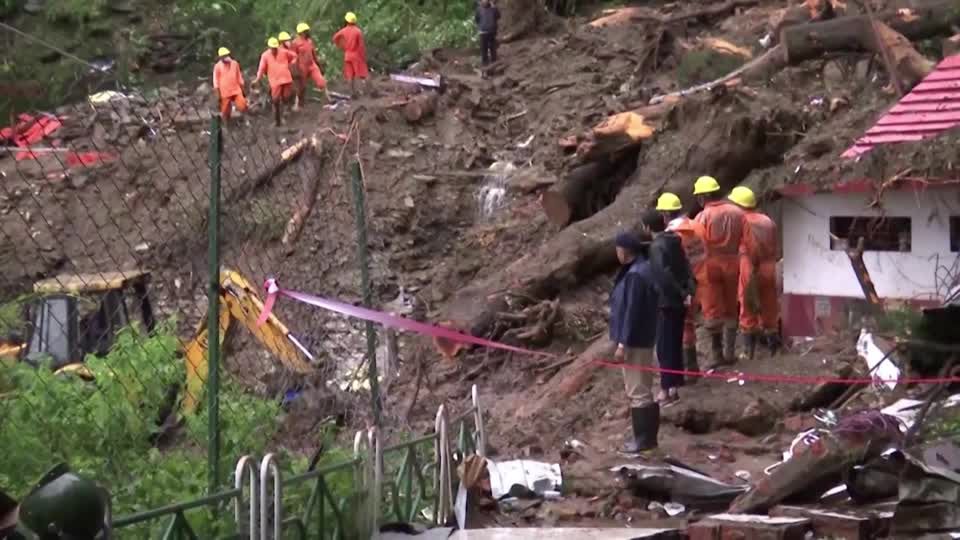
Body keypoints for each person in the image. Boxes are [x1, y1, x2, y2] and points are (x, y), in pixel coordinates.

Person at [609, 230, 661, 453]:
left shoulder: (635, 275)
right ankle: (648, 438)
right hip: (643, 336)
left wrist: (622, 344)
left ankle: (643, 440)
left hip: (635, 340)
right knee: (643, 387)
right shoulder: (640, 268)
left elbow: (632, 312)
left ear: (624, 251)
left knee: (638, 389)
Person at [642, 208, 695, 405]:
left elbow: (664, 275)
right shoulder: (675, 241)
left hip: (666, 302)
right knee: (675, 342)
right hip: (680, 300)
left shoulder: (656, 248)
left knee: (664, 346)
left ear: (647, 228)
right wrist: (688, 291)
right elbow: (686, 267)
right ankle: (675, 383)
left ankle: (666, 390)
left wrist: (678, 293)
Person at [693, 175, 745, 369]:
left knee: (712, 309)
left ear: (703, 197)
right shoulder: (737, 212)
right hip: (734, 262)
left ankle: (717, 355)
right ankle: (730, 352)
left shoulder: (702, 217)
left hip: (711, 264)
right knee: (732, 305)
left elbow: (698, 245)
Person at [728, 186, 781, 359]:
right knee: (769, 306)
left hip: (749, 265)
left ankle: (747, 352)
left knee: (747, 304)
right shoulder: (767, 221)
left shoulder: (740, 222)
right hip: (769, 266)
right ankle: (774, 348)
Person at [254, 37, 298, 126]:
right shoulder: (265, 55)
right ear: (269, 47)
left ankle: (287, 114)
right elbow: (261, 68)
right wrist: (257, 79)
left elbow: (294, 56)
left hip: (285, 78)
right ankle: (277, 121)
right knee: (276, 100)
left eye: (275, 48)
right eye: (272, 48)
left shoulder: (283, 52)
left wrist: (292, 63)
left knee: (287, 96)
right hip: (275, 81)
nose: (274, 49)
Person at [292, 22, 329, 109]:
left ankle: (328, 98)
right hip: (301, 67)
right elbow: (293, 56)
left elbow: (313, 54)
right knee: (301, 87)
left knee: (321, 81)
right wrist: (294, 68)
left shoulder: (309, 41)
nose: (307, 32)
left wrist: (318, 64)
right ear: (301, 32)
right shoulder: (295, 43)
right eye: (305, 31)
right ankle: (298, 104)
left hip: (311, 65)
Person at [333, 12, 369, 96]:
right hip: (356, 55)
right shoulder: (357, 31)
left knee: (350, 75)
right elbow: (361, 46)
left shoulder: (343, 30)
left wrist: (341, 46)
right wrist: (363, 56)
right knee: (364, 73)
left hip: (347, 55)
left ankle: (352, 93)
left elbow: (335, 38)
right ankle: (372, 92)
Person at [212, 47, 247, 123]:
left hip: (236, 90)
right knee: (225, 111)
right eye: (223, 56)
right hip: (225, 92)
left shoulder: (234, 64)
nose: (225, 57)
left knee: (243, 105)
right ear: (220, 57)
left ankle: (245, 120)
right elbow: (216, 81)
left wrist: (243, 88)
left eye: (226, 55)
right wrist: (218, 94)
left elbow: (239, 77)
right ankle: (227, 125)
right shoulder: (217, 67)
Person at [475, 0, 500, 76]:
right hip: (483, 33)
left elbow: (498, 16)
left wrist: (494, 7)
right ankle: (485, 71)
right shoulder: (479, 9)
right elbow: (477, 20)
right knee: (484, 52)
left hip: (492, 32)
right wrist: (480, 27)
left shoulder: (493, 8)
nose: (484, 1)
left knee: (493, 51)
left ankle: (494, 69)